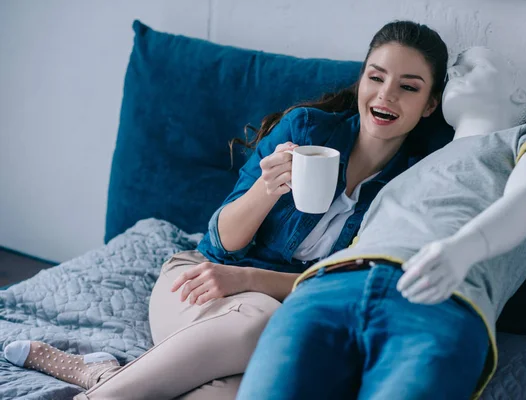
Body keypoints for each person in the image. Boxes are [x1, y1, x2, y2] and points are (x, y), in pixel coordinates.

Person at [3, 21, 449, 400]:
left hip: (284, 313)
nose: (386, 95)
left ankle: (98, 374)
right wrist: (265, 189)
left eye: (408, 87)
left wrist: (251, 280)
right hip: (202, 281)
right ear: (362, 81)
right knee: (260, 323)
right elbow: (219, 244)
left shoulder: (413, 185)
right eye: (376, 77)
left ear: (429, 104)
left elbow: (352, 286)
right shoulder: (306, 129)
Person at [236, 46, 526, 400]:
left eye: (472, 64)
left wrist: (464, 248)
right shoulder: (405, 168)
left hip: (439, 298)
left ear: (519, 93)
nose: (456, 72)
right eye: (453, 70)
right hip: (325, 289)